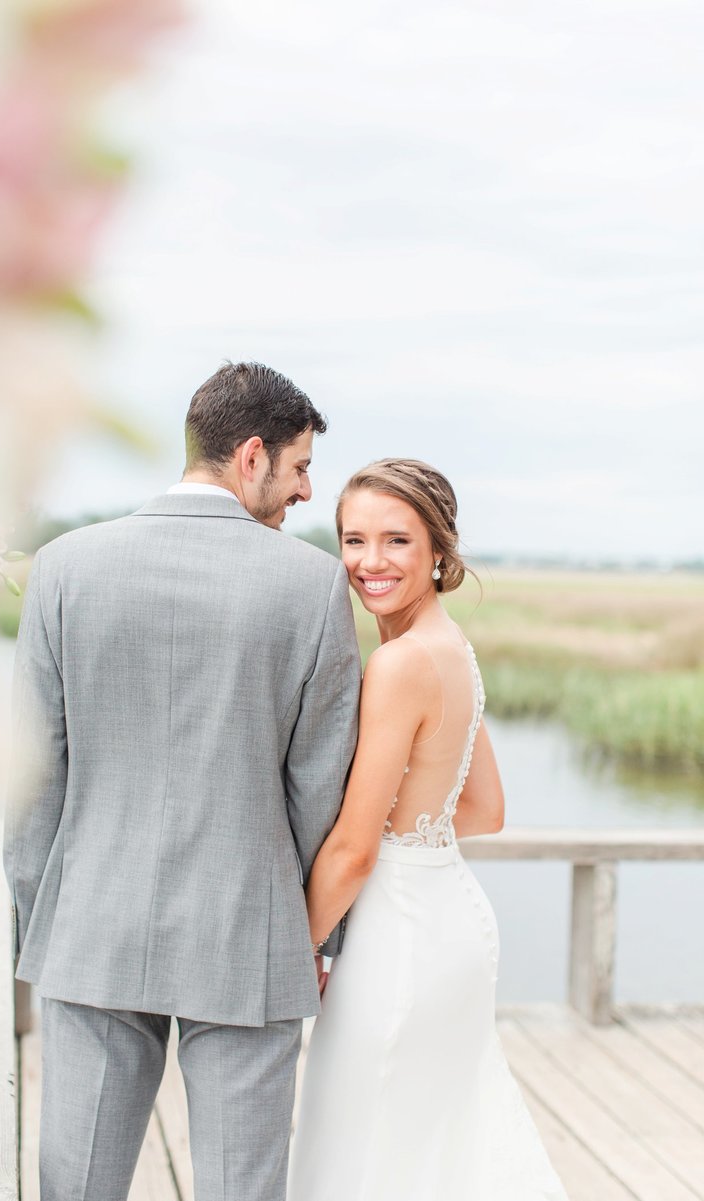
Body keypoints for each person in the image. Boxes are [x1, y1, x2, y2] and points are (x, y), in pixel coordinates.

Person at [3, 361, 361, 1201]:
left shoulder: (62, 567)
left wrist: (41, 922)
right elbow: (320, 790)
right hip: (250, 936)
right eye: (301, 466)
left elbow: (31, 779)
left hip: (92, 928)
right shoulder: (314, 588)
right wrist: (312, 936)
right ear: (250, 455)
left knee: (77, 1187)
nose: (308, 491)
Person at [288, 458, 568, 1201]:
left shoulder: (400, 663)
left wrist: (295, 951)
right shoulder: (453, 651)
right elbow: (485, 808)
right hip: (449, 919)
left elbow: (350, 852)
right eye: (353, 539)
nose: (369, 562)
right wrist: (413, 821)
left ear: (438, 551)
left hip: (397, 938)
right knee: (430, 1150)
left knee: (362, 1149)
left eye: (396, 541)